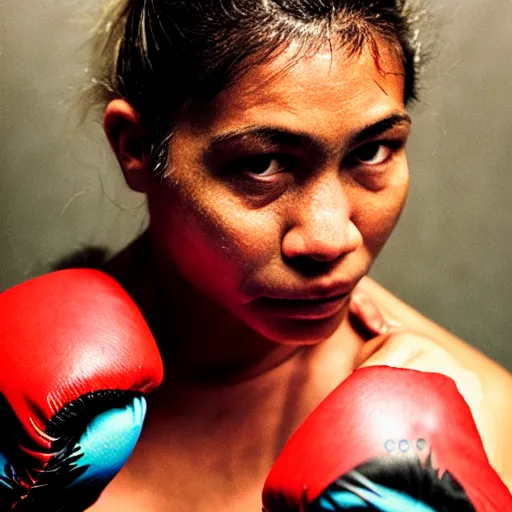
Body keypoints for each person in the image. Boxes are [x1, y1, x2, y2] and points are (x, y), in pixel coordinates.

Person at [76, 0, 512, 510]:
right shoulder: (17, 416)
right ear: (136, 147)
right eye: (262, 163)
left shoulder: (488, 422)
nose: (331, 239)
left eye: (370, 152)